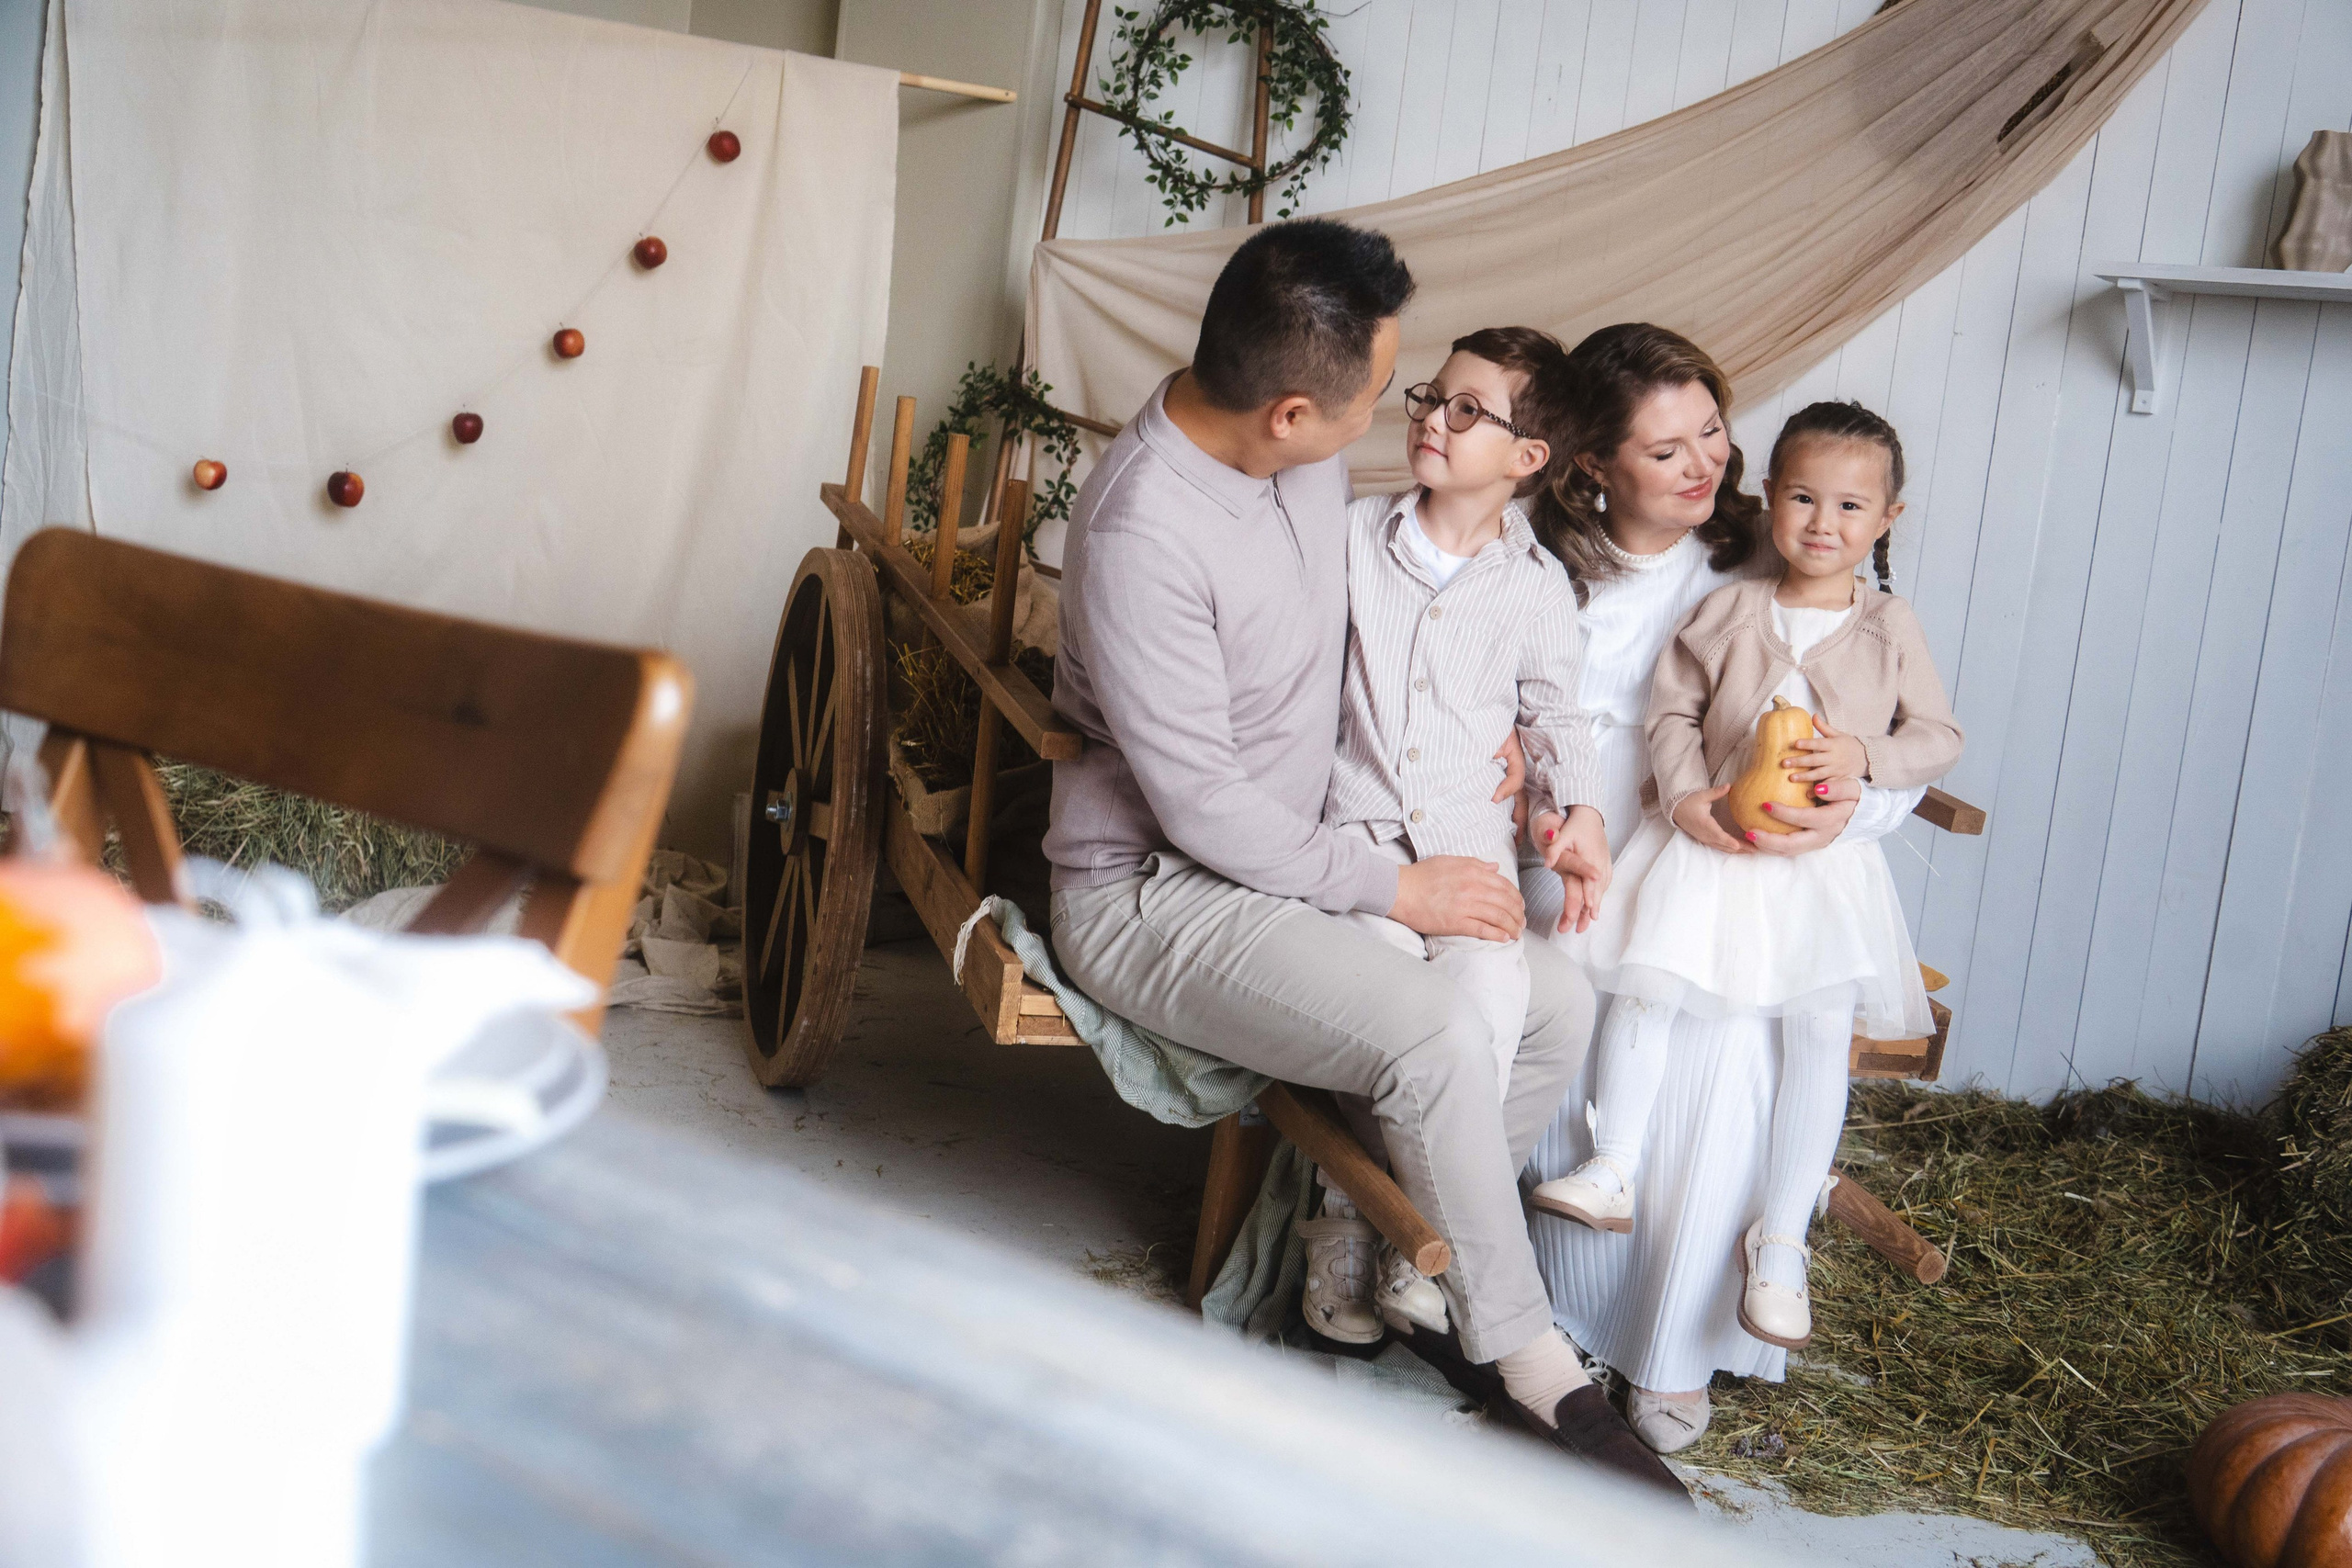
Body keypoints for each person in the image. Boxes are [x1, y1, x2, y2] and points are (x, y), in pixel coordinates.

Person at [1046, 220, 1681, 1497]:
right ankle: (1529, 1356)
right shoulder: (1143, 534)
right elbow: (1202, 808)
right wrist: (1397, 887)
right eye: (1383, 396)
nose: (1402, 417)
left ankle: (1405, 1250)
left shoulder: (1294, 456)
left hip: (1313, 847)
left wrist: (1497, 753)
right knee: (1431, 1033)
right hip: (1154, 887)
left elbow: (1416, 642)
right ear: (1290, 413)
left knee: (1555, 1005)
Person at [1513, 324, 1928, 1455]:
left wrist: (1847, 807)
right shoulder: (1537, 566)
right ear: (1590, 465)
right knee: (1563, 1004)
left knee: (1731, 1049)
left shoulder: (1768, 555)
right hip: (1556, 855)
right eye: (1666, 449)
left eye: (1712, 431)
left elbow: (1876, 741)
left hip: (1724, 872)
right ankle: (1540, 1316)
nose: (1706, 464)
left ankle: (1674, 1346)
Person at [1312, 327, 1611, 1343]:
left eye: (1469, 410)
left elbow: (1555, 716)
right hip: (1359, 848)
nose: (1435, 419)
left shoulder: (1536, 586)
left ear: (1528, 457)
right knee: (1395, 1024)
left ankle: (1417, 1246)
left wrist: (1580, 811)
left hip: (1475, 863)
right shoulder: (1353, 535)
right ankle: (1344, 1223)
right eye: (1434, 397)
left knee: (1486, 1017)